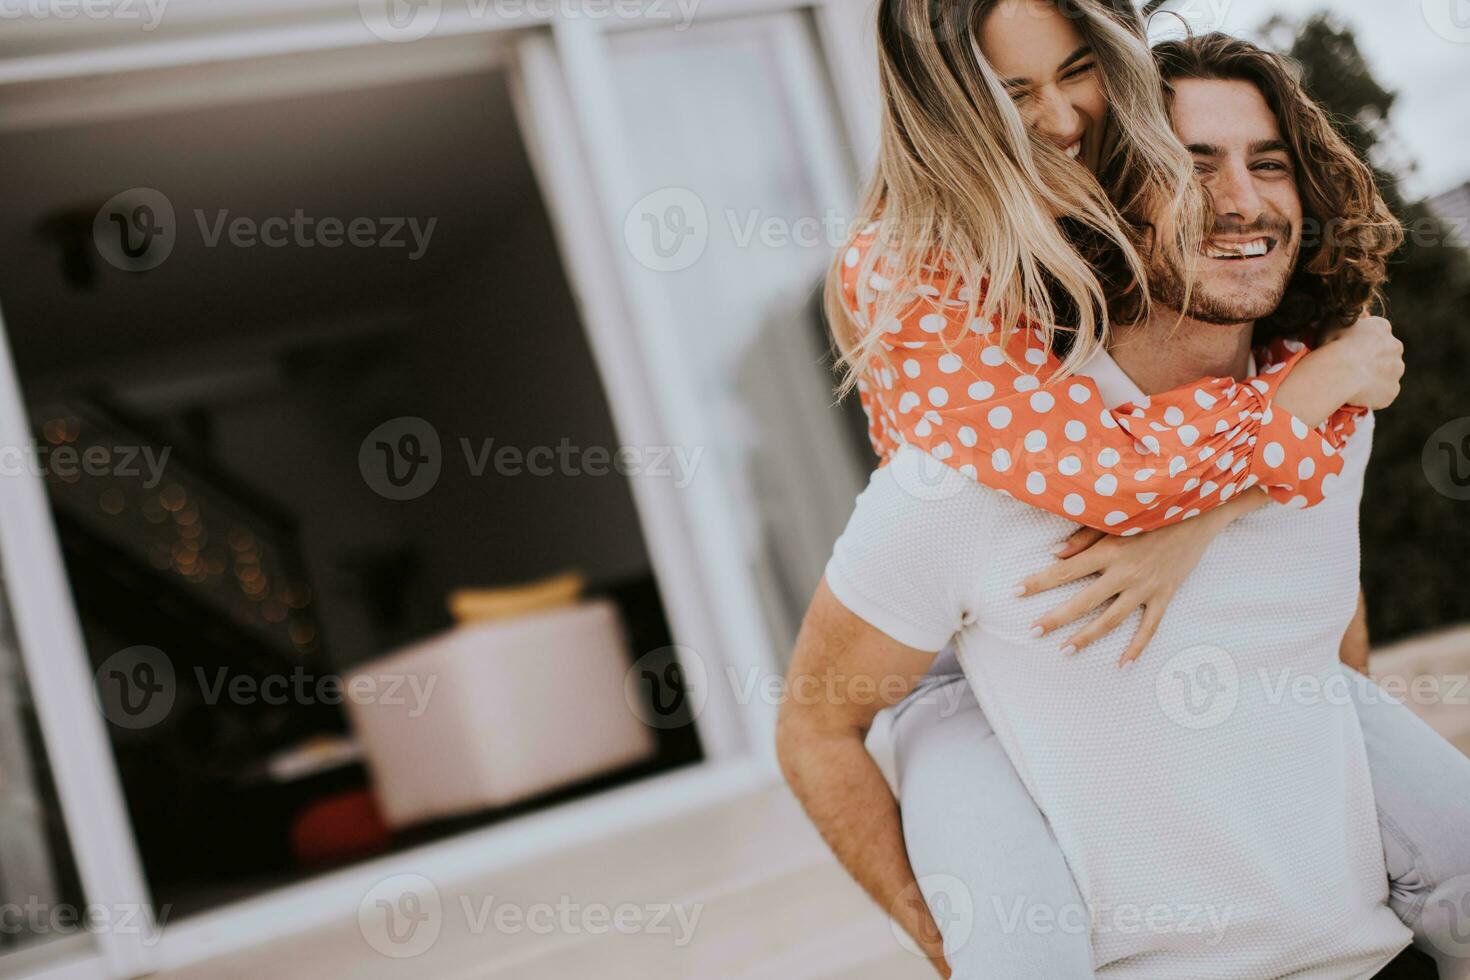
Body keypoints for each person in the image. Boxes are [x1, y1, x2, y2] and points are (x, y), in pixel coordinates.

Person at [779, 17, 1470, 980]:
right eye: (1015, 92)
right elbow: (1117, 479)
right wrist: (939, 938)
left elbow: (1313, 626)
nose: (1059, 116)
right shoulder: (920, 293)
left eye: (1077, 74)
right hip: (950, 672)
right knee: (1018, 949)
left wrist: (1229, 496)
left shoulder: (1322, 395)